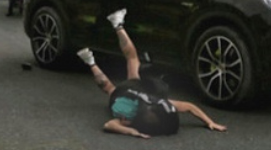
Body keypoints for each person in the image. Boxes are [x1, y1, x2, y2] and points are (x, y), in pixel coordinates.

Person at [76, 9, 227, 138]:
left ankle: (117, 26)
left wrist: (209, 121)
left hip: (131, 88)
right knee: (109, 87)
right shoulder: (133, 119)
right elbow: (110, 124)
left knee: (132, 59)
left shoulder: (153, 106)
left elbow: (189, 107)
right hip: (117, 97)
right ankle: (90, 61)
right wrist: (132, 131)